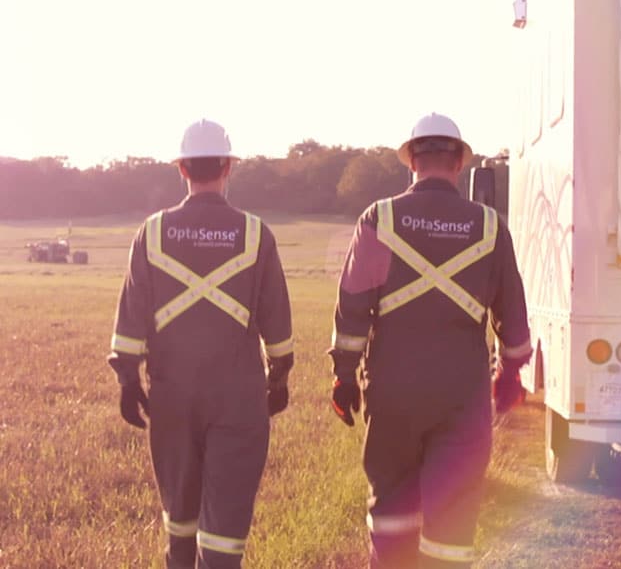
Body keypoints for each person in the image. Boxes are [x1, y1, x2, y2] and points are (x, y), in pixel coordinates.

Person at [327, 112, 531, 569]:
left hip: (394, 388)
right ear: (459, 162)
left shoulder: (378, 219)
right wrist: (511, 371)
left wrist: (343, 375)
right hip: (463, 393)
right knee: (452, 519)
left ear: (412, 162)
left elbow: (354, 309)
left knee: (393, 510)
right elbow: (513, 317)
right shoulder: (490, 226)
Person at [108, 119, 294, 569]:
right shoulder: (255, 234)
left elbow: (131, 317)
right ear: (229, 167)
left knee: (179, 520)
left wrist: (128, 381)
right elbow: (278, 324)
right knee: (226, 527)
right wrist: (279, 376)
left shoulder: (152, 233)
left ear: (182, 170)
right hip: (238, 397)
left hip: (172, 396)